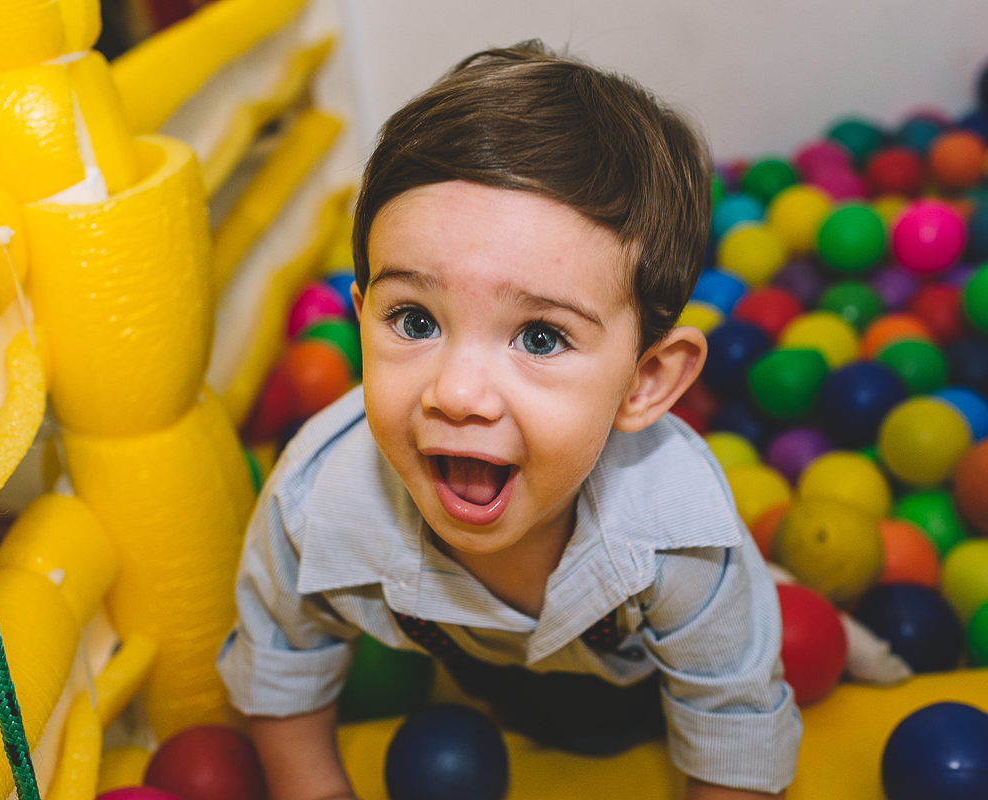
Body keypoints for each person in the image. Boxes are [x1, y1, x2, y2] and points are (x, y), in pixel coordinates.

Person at [217, 40, 801, 800]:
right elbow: (280, 660)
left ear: (644, 382)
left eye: (541, 338)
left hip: (633, 681)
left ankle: (799, 597)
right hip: (480, 671)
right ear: (359, 323)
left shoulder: (678, 528)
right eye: (415, 321)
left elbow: (734, 714)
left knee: (777, 625)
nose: (458, 393)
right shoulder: (317, 500)